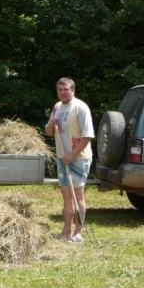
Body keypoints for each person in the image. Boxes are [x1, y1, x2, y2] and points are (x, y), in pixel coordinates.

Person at [45, 77, 94, 243]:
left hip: (79, 158)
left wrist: (71, 156)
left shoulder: (80, 107)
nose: (63, 93)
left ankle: (78, 233)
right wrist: (52, 124)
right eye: (60, 90)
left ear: (73, 90)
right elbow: (49, 132)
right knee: (66, 193)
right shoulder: (57, 107)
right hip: (62, 157)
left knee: (77, 193)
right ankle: (66, 230)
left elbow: (87, 136)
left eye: (66, 89)